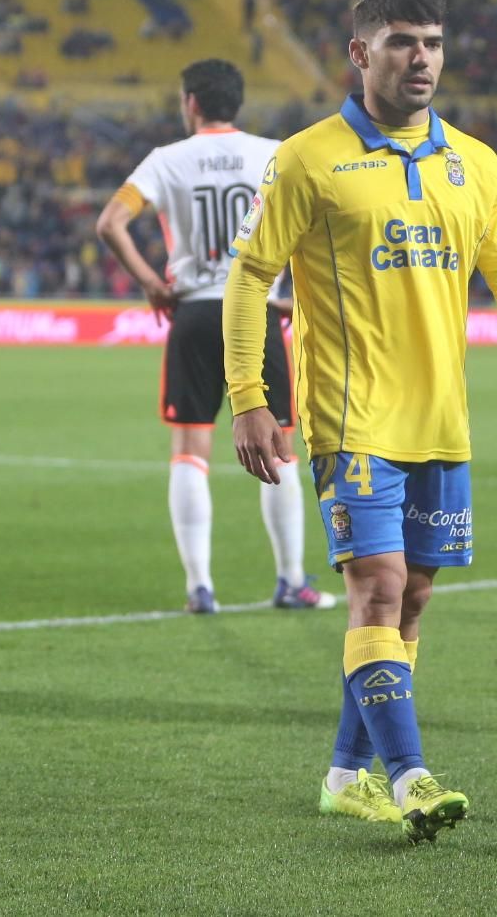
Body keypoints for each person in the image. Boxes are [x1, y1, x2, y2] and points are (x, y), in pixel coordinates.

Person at [223, 0, 497, 843]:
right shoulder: (308, 158)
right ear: (360, 53)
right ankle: (412, 780)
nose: (423, 58)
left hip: (441, 421)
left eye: (435, 43)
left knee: (410, 600)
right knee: (375, 590)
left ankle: (346, 776)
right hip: (351, 417)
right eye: (404, 42)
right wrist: (249, 398)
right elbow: (250, 277)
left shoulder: (476, 164)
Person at [95, 58, 334, 614]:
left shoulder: (166, 160)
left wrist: (154, 283)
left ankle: (200, 587)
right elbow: (323, 225)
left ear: (192, 103)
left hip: (196, 311)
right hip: (257, 310)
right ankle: (291, 579)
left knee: (189, 449)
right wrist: (300, 293)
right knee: (279, 447)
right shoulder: (275, 154)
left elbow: (110, 223)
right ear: (237, 104)